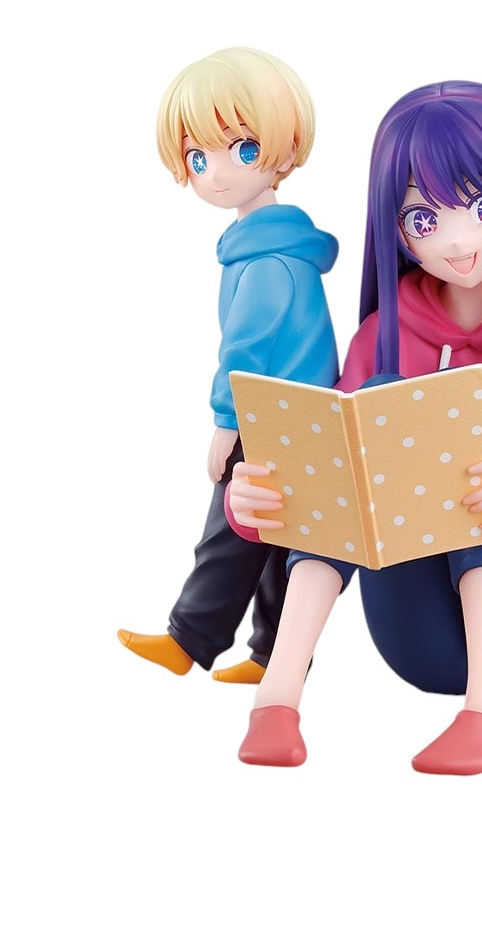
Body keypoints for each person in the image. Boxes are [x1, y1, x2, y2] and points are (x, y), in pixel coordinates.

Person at [227, 81, 482, 773]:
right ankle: (278, 697)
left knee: (461, 414)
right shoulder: (382, 335)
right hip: (420, 644)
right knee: (363, 425)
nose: (458, 239)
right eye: (424, 218)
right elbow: (336, 481)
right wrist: (261, 500)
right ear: (395, 228)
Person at [119, 47, 339, 683]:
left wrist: (226, 421)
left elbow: (246, 347)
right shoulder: (271, 247)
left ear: (285, 148)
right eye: (197, 158)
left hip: (272, 416)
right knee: (277, 536)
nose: (215, 174)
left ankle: (188, 639)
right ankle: (270, 654)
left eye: (242, 149)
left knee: (232, 529)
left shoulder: (267, 259)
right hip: (301, 415)